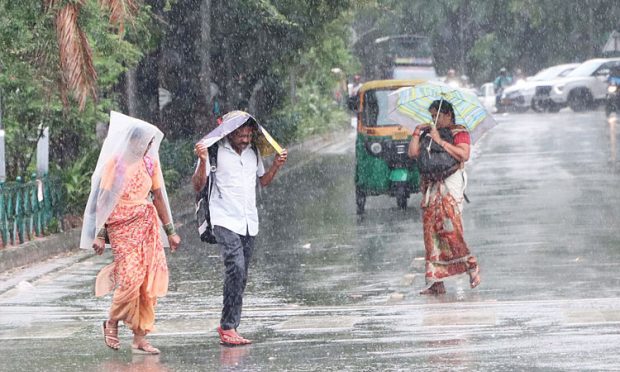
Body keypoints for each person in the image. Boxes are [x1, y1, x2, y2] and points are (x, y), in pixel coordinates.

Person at [80, 112, 181, 354]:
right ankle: (112, 321)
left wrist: (170, 231)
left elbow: (157, 196)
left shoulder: (150, 163)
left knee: (147, 283)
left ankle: (139, 337)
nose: (148, 147)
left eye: (150, 143)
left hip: (146, 225)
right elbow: (103, 200)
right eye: (145, 142)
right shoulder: (117, 163)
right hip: (121, 224)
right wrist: (100, 235)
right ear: (133, 141)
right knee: (130, 279)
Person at [192, 113, 287, 346]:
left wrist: (275, 165)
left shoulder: (253, 151)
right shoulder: (212, 151)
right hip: (223, 218)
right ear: (229, 132)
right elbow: (197, 185)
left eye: (248, 134)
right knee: (235, 266)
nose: (245, 139)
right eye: (240, 134)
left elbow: (262, 181)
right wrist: (203, 161)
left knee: (241, 274)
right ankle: (227, 326)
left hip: (248, 221)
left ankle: (231, 325)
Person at [407, 100, 481, 295]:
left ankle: (471, 266)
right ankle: (435, 281)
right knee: (431, 234)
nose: (435, 119)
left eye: (437, 115)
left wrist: (441, 142)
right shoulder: (428, 134)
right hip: (431, 188)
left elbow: (463, 155)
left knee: (450, 229)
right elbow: (413, 153)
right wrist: (417, 132)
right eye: (432, 116)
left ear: (448, 115)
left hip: (450, 186)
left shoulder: (459, 132)